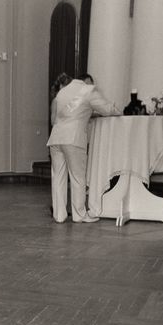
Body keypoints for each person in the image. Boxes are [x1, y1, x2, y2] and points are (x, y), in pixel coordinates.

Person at [47, 73, 120, 223]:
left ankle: (59, 215)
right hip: (73, 138)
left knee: (58, 177)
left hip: (56, 137)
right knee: (78, 177)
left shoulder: (63, 91)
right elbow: (107, 109)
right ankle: (79, 215)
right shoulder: (88, 90)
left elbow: (71, 112)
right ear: (87, 82)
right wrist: (119, 112)